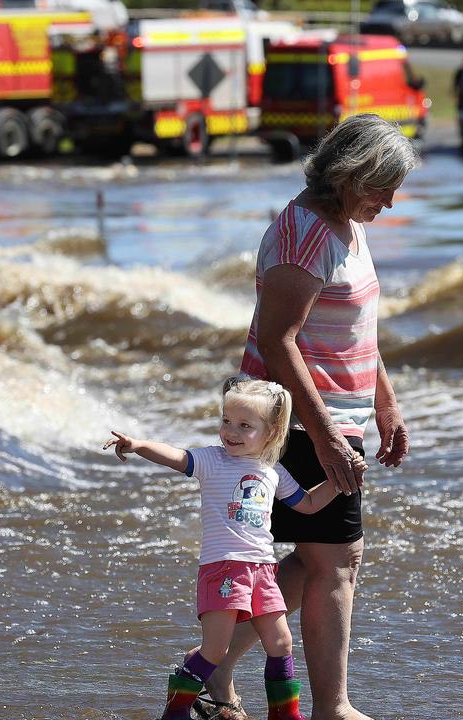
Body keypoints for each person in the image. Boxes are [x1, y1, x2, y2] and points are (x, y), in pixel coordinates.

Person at [188, 113, 418, 720]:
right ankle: (331, 707)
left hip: (338, 415)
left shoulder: (345, 222)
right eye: (383, 187)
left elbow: (354, 327)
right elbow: (278, 339)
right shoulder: (303, 236)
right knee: (335, 560)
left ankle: (213, 664)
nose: (391, 202)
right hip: (295, 418)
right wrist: (325, 437)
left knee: (319, 559)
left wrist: (383, 403)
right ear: (351, 175)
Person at [104, 377, 355, 720]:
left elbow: (308, 504)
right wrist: (138, 444)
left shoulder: (272, 470)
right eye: (226, 421)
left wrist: (341, 480)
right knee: (215, 650)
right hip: (223, 569)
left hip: (263, 571)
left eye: (244, 426)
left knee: (281, 643)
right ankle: (176, 709)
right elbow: (177, 456)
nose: (231, 432)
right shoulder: (212, 460)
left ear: (270, 432)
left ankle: (284, 713)